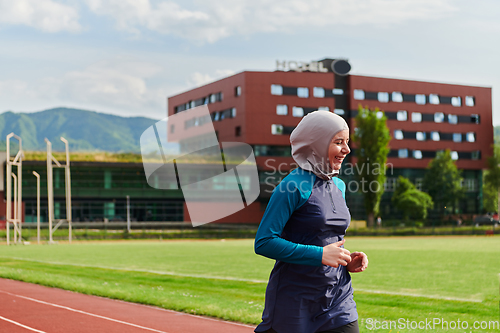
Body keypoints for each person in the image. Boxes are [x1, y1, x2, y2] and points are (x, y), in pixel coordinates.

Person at [254, 111, 368, 333]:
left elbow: (326, 237)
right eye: (338, 142)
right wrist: (320, 255)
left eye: (347, 142)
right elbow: (264, 241)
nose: (347, 150)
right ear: (316, 143)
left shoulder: (340, 187)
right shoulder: (291, 187)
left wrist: (346, 259)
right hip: (295, 301)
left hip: (338, 299)